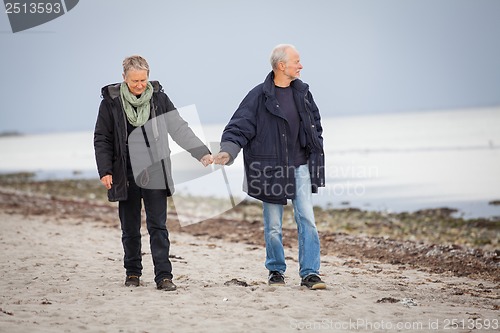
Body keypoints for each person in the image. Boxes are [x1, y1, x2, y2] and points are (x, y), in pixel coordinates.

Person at [94, 55, 213, 291]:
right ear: (124, 79)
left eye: (143, 80)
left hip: (155, 172)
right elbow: (102, 138)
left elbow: (179, 128)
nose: (140, 85)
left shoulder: (159, 99)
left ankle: (164, 276)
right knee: (129, 228)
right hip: (124, 173)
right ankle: (132, 273)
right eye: (135, 81)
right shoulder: (111, 103)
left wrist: (201, 152)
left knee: (158, 227)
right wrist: (105, 170)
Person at [214, 44, 326, 289]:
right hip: (271, 169)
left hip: (301, 166)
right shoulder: (258, 96)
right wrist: (228, 151)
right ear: (281, 65)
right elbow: (239, 126)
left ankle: (310, 273)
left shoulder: (304, 93)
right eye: (297, 61)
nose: (301, 65)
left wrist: (315, 145)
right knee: (273, 225)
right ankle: (276, 270)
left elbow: (315, 123)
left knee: (307, 218)